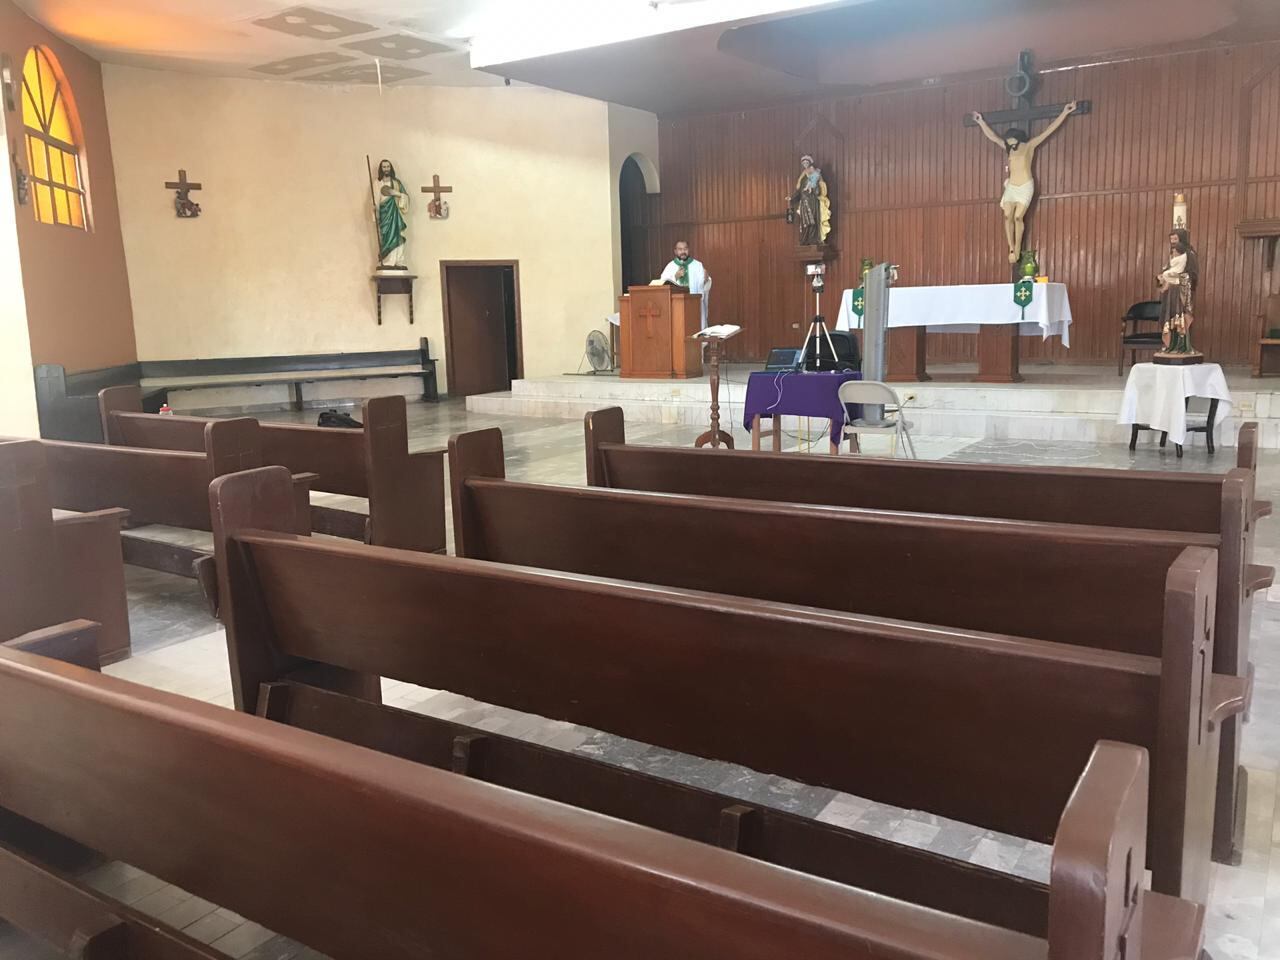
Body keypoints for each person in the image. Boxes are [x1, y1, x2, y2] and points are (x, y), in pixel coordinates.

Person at [971, 102, 1078, 263]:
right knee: (1007, 216)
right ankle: (1011, 248)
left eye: (1013, 142)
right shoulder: (1008, 148)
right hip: (1012, 186)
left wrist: (1065, 112)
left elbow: (1049, 131)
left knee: (1018, 217)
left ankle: (1018, 248)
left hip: (1025, 185)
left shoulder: (1029, 146)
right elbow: (993, 137)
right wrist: (980, 121)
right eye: (1009, 143)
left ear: (1019, 140)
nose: (1011, 145)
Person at [1158, 229, 1198, 354]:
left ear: (1182, 239)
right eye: (1171, 240)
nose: (1173, 242)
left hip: (1182, 291)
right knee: (1169, 318)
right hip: (1171, 292)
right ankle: (1171, 345)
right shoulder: (1173, 253)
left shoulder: (1190, 254)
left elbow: (1193, 274)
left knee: (1181, 319)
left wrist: (1177, 278)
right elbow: (1168, 269)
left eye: (1175, 239)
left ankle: (1183, 346)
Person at [659, 240, 712, 329]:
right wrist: (675, 276)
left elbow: (705, 284)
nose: (683, 252)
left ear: (689, 250)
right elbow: (662, 284)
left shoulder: (697, 265)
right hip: (676, 307)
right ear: (675, 251)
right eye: (680, 249)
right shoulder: (670, 266)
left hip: (695, 305)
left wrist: (706, 279)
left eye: (685, 249)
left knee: (697, 329)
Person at [373, 159, 409, 269]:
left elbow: (405, 196)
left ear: (391, 168)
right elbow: (375, 199)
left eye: (388, 166)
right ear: (381, 169)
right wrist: (374, 209)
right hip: (385, 214)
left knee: (398, 234)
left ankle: (398, 260)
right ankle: (388, 261)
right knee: (386, 236)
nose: (386, 169)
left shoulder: (397, 183)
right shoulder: (377, 183)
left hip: (396, 213)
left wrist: (398, 195)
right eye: (384, 167)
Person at [788, 155, 831, 246]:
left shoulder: (815, 174)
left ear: (810, 163)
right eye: (803, 163)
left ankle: (813, 239)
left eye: (806, 163)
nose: (805, 165)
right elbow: (799, 191)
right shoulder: (803, 177)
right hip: (804, 202)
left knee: (813, 220)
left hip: (812, 201)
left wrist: (814, 188)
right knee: (804, 222)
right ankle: (805, 239)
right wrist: (791, 198)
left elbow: (820, 189)